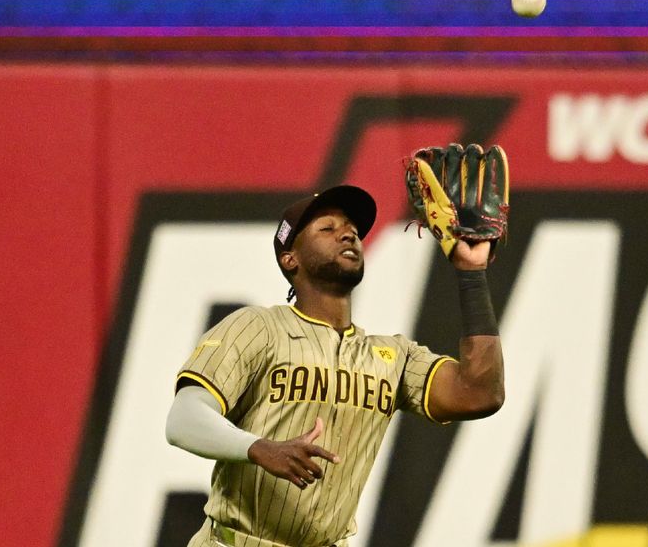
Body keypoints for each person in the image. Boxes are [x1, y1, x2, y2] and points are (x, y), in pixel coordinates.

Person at [166, 184, 505, 547]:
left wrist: (472, 273)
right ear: (289, 259)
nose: (347, 234)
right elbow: (183, 419)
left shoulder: (393, 356)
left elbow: (479, 394)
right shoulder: (258, 327)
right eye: (327, 228)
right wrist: (260, 448)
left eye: (353, 231)